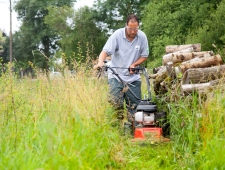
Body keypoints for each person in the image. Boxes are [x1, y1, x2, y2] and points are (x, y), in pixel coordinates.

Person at [94, 14, 149, 132]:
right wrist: (100, 63)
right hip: (116, 75)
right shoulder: (117, 35)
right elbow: (105, 51)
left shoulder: (142, 37)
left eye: (135, 29)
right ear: (126, 25)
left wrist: (134, 64)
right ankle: (117, 130)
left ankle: (133, 131)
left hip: (133, 77)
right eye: (130, 29)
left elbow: (144, 55)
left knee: (134, 106)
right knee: (115, 102)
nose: (133, 31)